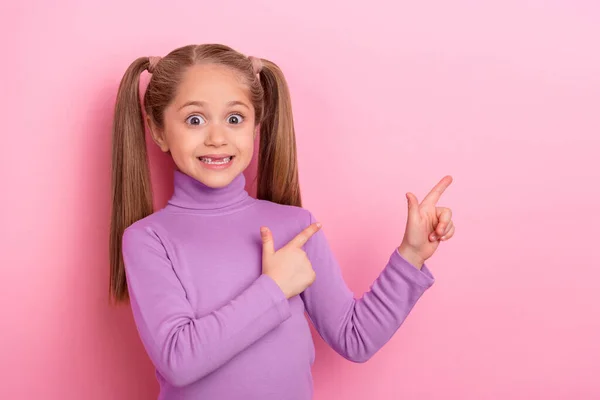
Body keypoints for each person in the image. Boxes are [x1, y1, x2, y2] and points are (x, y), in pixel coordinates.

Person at [108, 43, 455, 400]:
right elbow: (179, 360)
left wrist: (411, 255)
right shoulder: (149, 239)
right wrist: (274, 288)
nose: (216, 138)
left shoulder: (296, 227)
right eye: (195, 120)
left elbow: (356, 338)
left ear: (256, 125)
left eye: (234, 119)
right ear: (158, 131)